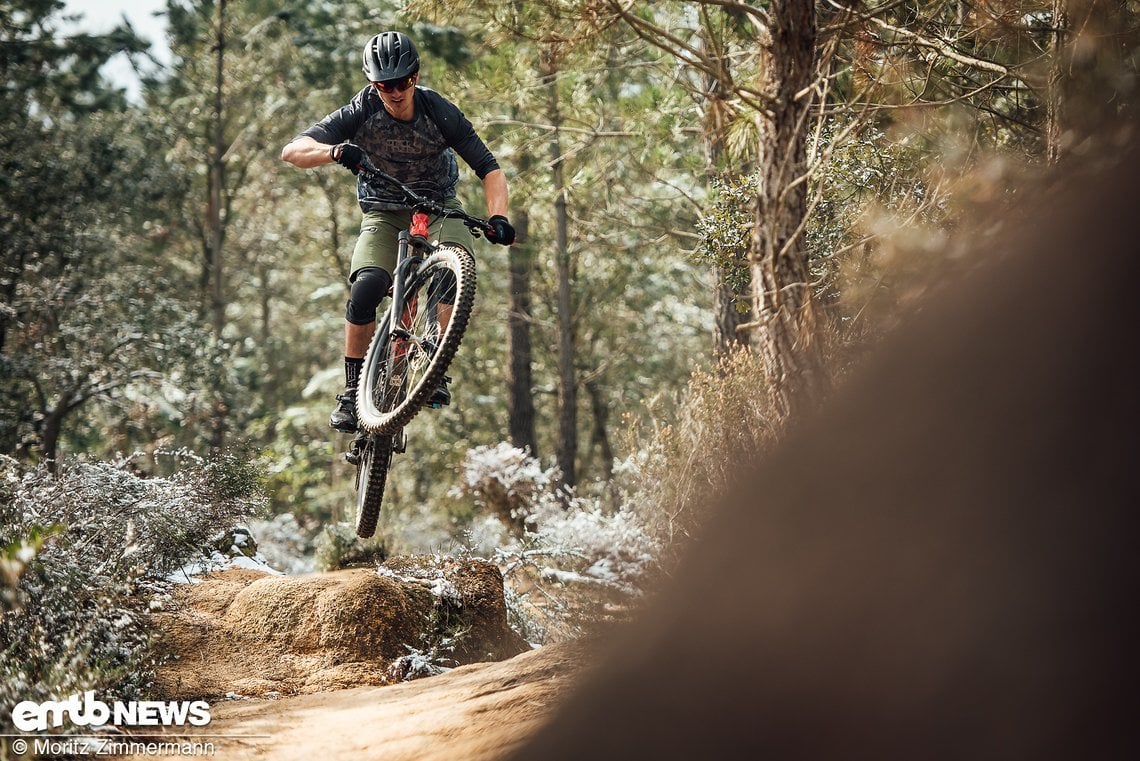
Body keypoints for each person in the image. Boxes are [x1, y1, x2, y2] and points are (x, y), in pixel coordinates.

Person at [281, 31, 515, 433]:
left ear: (416, 76)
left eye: (403, 82)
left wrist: (498, 217)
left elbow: (489, 168)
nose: (394, 92)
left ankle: (436, 366)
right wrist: (335, 151)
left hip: (438, 204)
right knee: (367, 287)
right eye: (384, 85)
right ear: (373, 84)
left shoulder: (438, 110)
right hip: (383, 210)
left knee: (450, 271)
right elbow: (292, 151)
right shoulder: (361, 109)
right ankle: (352, 392)